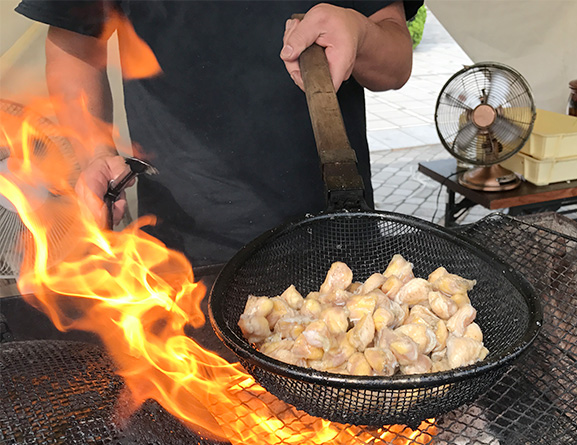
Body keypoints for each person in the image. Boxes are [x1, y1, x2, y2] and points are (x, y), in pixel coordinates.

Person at [15, 1, 423, 266]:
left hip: (337, 230)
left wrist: (360, 31)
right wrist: (94, 153)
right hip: (185, 246)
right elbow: (75, 47)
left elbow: (395, 58)